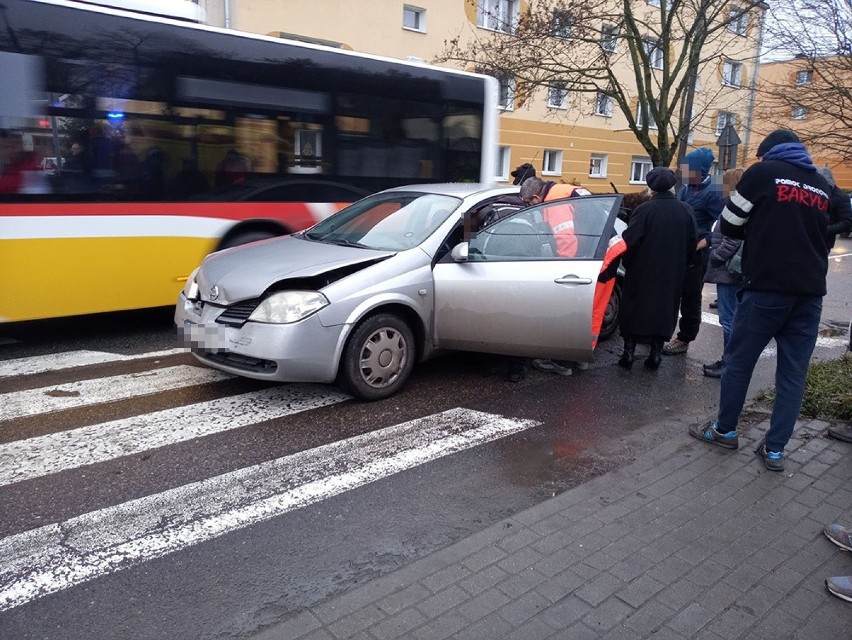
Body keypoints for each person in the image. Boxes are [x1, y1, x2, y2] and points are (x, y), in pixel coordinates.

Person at [688, 128, 847, 472]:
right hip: (809, 294)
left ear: (770, 154)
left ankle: (725, 430)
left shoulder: (763, 174)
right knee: (793, 373)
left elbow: (729, 224)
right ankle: (775, 450)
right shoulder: (819, 183)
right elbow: (834, 223)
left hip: (767, 289)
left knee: (739, 361)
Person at [617, 167, 697, 370]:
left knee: (634, 308)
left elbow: (630, 240)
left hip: (642, 270)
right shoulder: (686, 210)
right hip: (672, 270)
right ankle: (655, 353)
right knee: (664, 309)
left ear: (650, 187)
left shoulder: (644, 210)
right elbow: (692, 242)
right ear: (672, 186)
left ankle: (628, 352)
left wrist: (628, 262)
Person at [520, 176, 594, 376]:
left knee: (558, 311)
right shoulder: (562, 191)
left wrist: (562, 271)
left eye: (529, 203)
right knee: (578, 311)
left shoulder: (555, 203)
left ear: (536, 196)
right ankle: (578, 357)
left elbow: (565, 239)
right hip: (593, 254)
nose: (529, 207)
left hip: (576, 261)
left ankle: (547, 358)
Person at [663, 148, 724, 355]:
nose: (684, 172)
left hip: (697, 253)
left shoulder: (715, 190)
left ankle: (684, 338)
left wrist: (704, 242)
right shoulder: (686, 188)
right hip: (680, 248)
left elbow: (722, 224)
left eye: (689, 169)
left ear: (701, 170)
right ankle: (662, 333)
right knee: (672, 292)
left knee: (690, 296)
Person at [701, 167, 745, 378]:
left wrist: (716, 257)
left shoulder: (735, 206)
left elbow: (732, 239)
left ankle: (729, 364)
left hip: (728, 271)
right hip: (735, 270)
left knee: (729, 320)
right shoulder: (743, 204)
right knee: (734, 318)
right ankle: (733, 362)